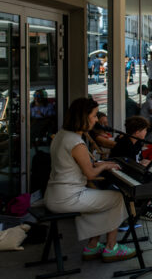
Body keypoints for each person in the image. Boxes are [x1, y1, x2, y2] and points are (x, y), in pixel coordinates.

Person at [44, 97, 136, 262]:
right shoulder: (75, 142)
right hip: (67, 197)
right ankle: (111, 247)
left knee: (101, 197)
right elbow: (91, 174)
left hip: (54, 195)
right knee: (117, 198)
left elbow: (82, 164)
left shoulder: (62, 135)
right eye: (94, 116)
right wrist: (105, 166)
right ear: (83, 117)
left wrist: (103, 163)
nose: (96, 120)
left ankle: (93, 246)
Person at [110, 115, 152, 221]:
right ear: (137, 132)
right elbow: (131, 167)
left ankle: (148, 203)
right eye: (145, 130)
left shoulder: (137, 142)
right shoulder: (125, 145)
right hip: (122, 175)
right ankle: (144, 207)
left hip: (133, 171)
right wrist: (151, 165)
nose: (146, 132)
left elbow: (140, 161)